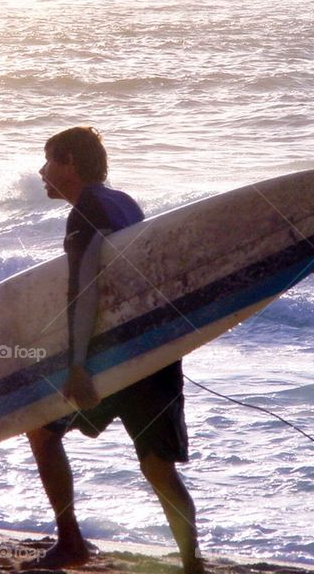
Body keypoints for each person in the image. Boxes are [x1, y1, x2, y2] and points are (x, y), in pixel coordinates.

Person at [26, 126, 204, 574]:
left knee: (44, 433)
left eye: (47, 160)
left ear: (68, 162)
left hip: (108, 361)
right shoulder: (123, 202)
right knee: (158, 468)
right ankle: (191, 562)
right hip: (152, 353)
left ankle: (71, 544)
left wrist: (79, 366)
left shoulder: (86, 210)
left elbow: (83, 290)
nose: (41, 171)